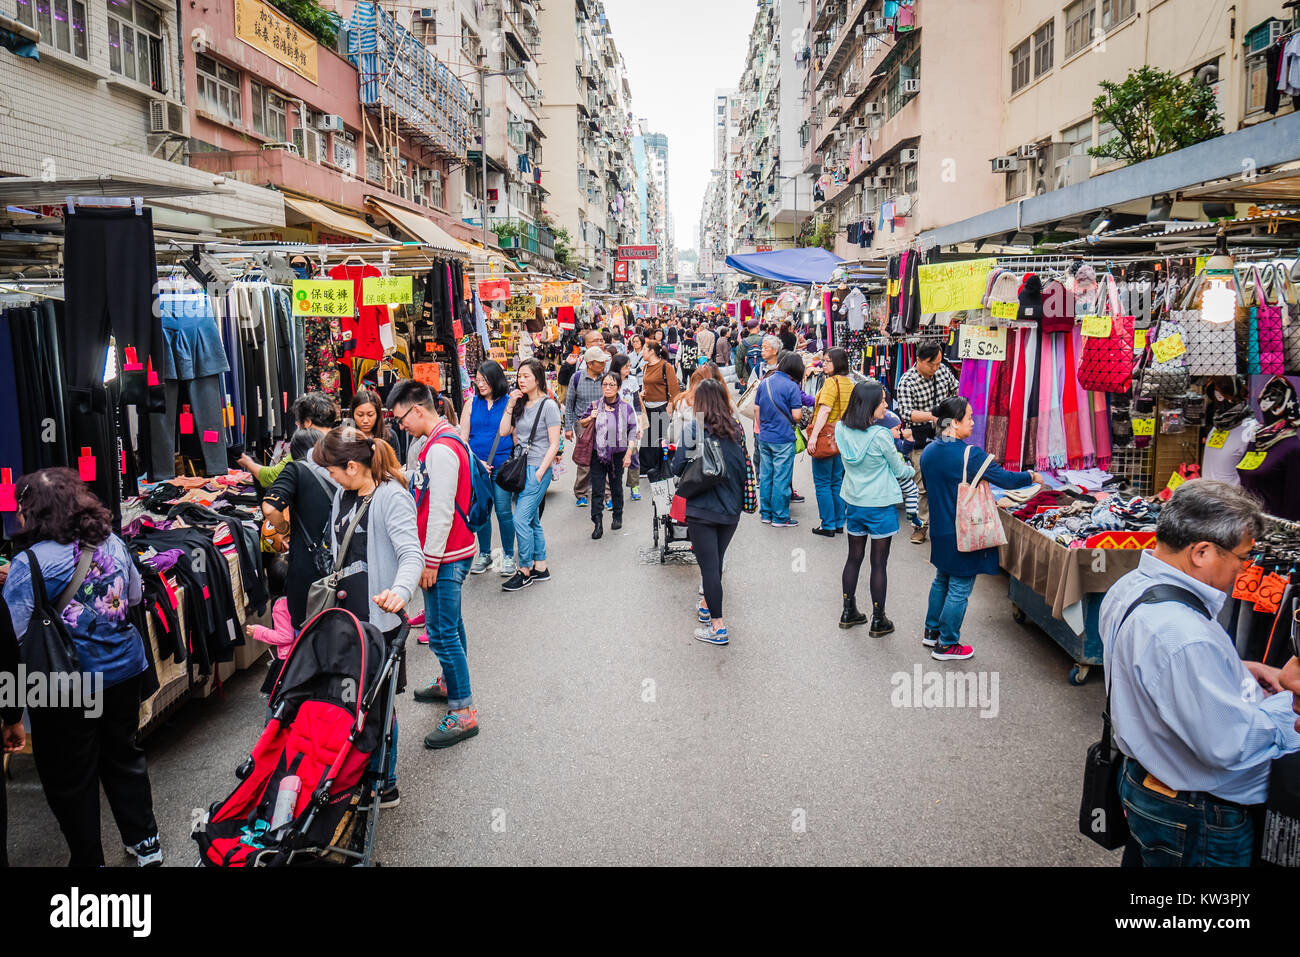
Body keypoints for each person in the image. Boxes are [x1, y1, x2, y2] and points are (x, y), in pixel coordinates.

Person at [1101, 479, 1300, 867]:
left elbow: (1149, 672)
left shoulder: (1130, 587)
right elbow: (1231, 746)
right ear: (1203, 552)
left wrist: (1232, 670)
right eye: (1242, 557)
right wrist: (1282, 708)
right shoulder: (1184, 636)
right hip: (1194, 813)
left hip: (1150, 785)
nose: (1245, 568)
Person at [2, 468, 163, 867]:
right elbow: (135, 595)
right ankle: (146, 844)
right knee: (124, 756)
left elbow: (14, 635)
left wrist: (11, 709)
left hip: (65, 684)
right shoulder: (111, 542)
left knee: (70, 776)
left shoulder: (28, 564)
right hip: (124, 668)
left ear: (35, 512)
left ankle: (89, 858)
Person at [312, 426, 424, 801]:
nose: (330, 475)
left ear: (354, 467)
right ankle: (355, 775)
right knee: (350, 699)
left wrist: (400, 591)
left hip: (379, 621)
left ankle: (383, 781)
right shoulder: (342, 495)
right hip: (347, 619)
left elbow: (411, 553)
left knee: (377, 702)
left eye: (333, 469)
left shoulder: (391, 497)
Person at [388, 380, 480, 750]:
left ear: (418, 410)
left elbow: (441, 509)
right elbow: (429, 489)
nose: (400, 426)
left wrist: (428, 560)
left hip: (446, 553)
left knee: (442, 632)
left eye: (400, 419)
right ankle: (449, 684)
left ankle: (464, 711)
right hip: (452, 549)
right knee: (451, 625)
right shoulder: (444, 440)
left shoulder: (440, 449)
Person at [920, 397, 1043, 661]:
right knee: (960, 589)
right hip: (965, 531)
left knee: (942, 580)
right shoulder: (969, 455)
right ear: (954, 423)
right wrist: (1031, 476)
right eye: (969, 418)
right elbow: (1007, 480)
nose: (973, 423)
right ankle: (948, 643)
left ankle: (931, 632)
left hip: (940, 529)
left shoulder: (929, 451)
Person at [834, 381, 915, 634]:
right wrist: (910, 464)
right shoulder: (880, 435)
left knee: (853, 558)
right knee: (879, 563)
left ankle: (848, 611)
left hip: (854, 501)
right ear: (870, 404)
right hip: (880, 505)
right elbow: (900, 470)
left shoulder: (840, 428)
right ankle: (878, 619)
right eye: (882, 401)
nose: (886, 405)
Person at [671, 380, 747, 646]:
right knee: (716, 562)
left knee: (709, 568)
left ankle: (718, 626)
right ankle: (706, 604)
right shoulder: (735, 429)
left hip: (702, 508)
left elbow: (676, 467)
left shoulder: (695, 428)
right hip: (730, 509)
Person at [498, 358, 562, 591]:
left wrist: (541, 473)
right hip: (520, 469)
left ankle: (524, 569)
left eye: (526, 376)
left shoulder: (549, 406)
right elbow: (505, 431)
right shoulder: (520, 404)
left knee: (520, 519)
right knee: (532, 520)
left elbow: (554, 444)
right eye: (519, 376)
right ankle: (541, 566)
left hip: (537, 469)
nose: (521, 380)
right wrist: (510, 405)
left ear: (538, 378)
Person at [262, 427, 335, 630]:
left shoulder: (296, 469)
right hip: (338, 567)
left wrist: (283, 528)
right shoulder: (337, 471)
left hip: (307, 568)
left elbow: (269, 508)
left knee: (305, 636)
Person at [894, 343, 959, 544]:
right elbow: (906, 413)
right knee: (922, 484)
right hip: (919, 435)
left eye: (939, 364)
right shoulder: (907, 380)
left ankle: (948, 525)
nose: (936, 368)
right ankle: (920, 527)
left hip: (947, 432)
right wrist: (933, 417)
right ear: (920, 360)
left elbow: (957, 391)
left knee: (948, 478)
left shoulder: (944, 373)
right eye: (932, 364)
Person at [460, 361, 517, 577]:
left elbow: (514, 435)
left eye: (484, 380)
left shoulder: (509, 403)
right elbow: (463, 439)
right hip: (477, 466)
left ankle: (508, 555)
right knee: (481, 511)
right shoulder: (470, 403)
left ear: (496, 379)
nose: (480, 383)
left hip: (503, 466)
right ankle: (484, 553)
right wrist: (476, 461)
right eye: (478, 379)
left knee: (503, 511)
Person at [579, 373, 639, 540]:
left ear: (618, 387)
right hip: (597, 453)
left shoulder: (626, 407)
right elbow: (582, 422)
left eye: (611, 385)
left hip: (618, 454)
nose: (607, 388)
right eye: (604, 384)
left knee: (616, 487)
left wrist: (628, 454)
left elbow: (633, 431)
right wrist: (591, 416)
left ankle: (617, 516)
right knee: (597, 489)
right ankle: (597, 522)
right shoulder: (596, 405)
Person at [238, 391, 338, 488]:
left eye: (298, 421)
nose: (298, 425)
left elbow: (272, 477)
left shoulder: (307, 444)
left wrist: (248, 464)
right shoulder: (340, 441)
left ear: (308, 422)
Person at [754, 344, 805, 528]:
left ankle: (765, 513)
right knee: (782, 478)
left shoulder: (765, 382)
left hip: (765, 436)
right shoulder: (792, 386)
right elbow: (797, 415)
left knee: (766, 476)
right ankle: (780, 516)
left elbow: (756, 409)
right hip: (783, 438)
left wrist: (762, 428)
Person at [807, 348, 855, 536]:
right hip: (842, 437)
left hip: (826, 436)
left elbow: (825, 411)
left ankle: (827, 524)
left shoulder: (830, 383)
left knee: (822, 482)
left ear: (838, 363)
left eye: (828, 361)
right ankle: (837, 523)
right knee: (836, 481)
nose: (824, 364)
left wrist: (813, 436)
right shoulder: (849, 383)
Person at [564, 345, 610, 507]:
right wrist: (568, 427)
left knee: (605, 457)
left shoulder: (606, 379)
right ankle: (582, 493)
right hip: (582, 424)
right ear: (590, 364)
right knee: (585, 460)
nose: (603, 365)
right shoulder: (576, 378)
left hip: (604, 423)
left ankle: (606, 494)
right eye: (600, 362)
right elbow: (569, 404)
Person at [639, 340, 681, 476]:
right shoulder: (645, 367)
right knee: (647, 439)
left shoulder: (666, 366)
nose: (642, 352)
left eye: (644, 349)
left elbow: (674, 389)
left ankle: (661, 468)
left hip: (661, 407)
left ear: (651, 351)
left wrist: (670, 404)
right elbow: (645, 386)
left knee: (658, 439)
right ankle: (645, 468)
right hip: (646, 407)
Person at [610, 353, 643, 501]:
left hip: (631, 423)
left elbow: (636, 404)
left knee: (634, 455)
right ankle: (611, 489)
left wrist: (640, 424)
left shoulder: (633, 381)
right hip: (613, 424)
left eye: (629, 366)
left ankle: (634, 485)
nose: (629, 369)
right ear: (618, 367)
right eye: (626, 367)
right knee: (612, 457)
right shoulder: (609, 381)